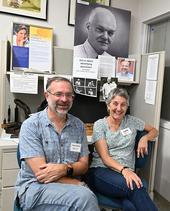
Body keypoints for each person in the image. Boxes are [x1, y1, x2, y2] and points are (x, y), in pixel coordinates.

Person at [15, 76, 100, 211]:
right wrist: (75, 182)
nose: (64, 99)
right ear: (47, 95)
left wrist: (64, 169)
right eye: (58, 94)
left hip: (70, 189)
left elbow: (83, 166)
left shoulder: (78, 126)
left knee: (84, 197)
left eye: (68, 95)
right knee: (85, 199)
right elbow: (42, 174)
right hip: (36, 188)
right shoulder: (31, 125)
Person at [88, 88, 158, 211]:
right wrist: (125, 170)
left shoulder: (132, 121)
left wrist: (145, 138)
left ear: (127, 107)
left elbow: (154, 131)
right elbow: (105, 158)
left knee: (130, 206)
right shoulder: (100, 125)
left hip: (124, 176)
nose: (119, 108)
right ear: (108, 105)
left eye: (123, 104)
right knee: (136, 187)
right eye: (115, 103)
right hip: (102, 171)